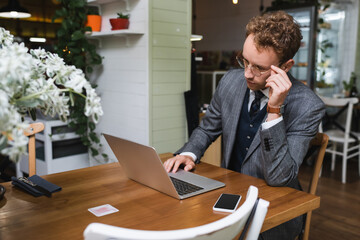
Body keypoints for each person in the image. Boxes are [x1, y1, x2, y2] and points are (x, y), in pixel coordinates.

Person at [164, 11, 325, 240]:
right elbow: (207, 128)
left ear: (286, 66)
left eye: (259, 67)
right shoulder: (230, 81)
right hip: (227, 196)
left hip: (273, 210)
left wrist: (274, 110)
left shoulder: (308, 106)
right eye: (244, 61)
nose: (247, 74)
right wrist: (189, 153)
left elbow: (280, 177)